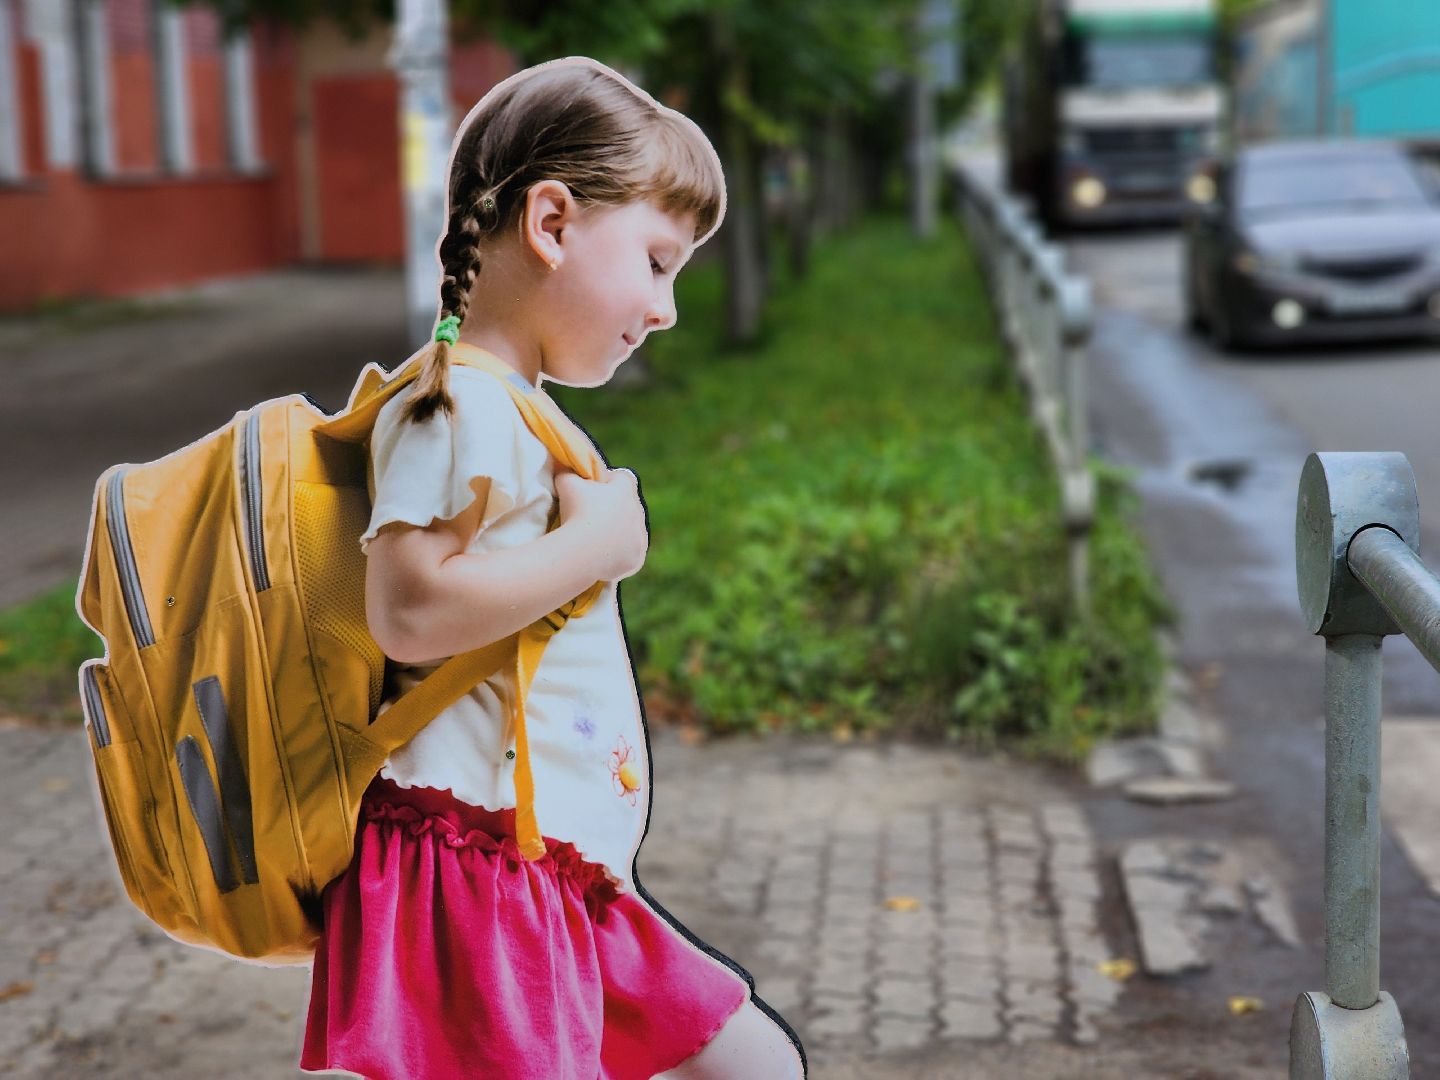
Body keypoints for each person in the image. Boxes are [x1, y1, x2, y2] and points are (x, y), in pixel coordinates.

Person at [299, 57, 806, 1080]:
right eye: (657, 262)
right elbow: (409, 608)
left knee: (756, 1065)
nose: (665, 307)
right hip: (476, 865)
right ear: (552, 222)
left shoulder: (506, 407)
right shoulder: (457, 405)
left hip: (549, 866)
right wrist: (598, 546)